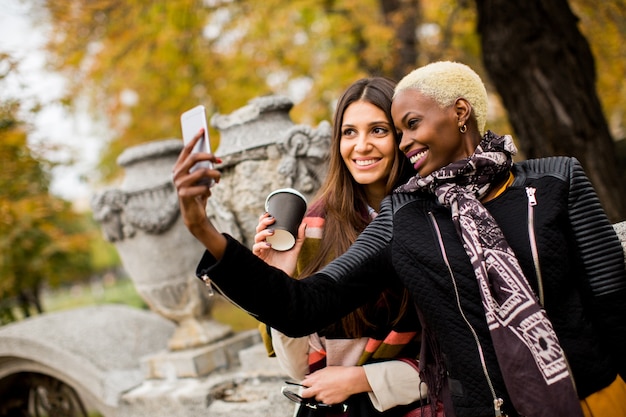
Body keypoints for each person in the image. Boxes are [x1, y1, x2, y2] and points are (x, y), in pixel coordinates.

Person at [172, 61, 626, 417]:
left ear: (460, 112)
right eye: (399, 130)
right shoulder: (404, 215)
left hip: (596, 398)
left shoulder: (556, 179)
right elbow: (305, 305)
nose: (404, 142)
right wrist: (204, 231)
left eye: (408, 125)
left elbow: (615, 305)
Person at [252, 77, 430, 416]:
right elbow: (298, 369)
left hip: (421, 403)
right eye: (349, 132)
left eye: (378, 130)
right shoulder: (314, 227)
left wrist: (363, 378)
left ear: (401, 136)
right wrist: (278, 282)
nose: (361, 146)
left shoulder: (435, 215)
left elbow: (465, 357)